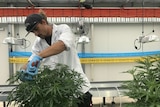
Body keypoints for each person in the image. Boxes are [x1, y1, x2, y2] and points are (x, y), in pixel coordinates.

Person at [20, 10, 93, 107]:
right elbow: (31, 60)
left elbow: (62, 45)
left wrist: (39, 56)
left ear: (43, 22)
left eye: (36, 29)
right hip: (58, 92)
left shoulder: (63, 29)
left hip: (78, 88)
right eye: (33, 31)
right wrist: (22, 71)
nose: (36, 33)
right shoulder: (38, 43)